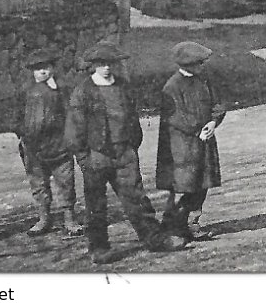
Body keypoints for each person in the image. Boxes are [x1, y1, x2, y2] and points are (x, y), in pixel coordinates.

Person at [65, 41, 188, 265]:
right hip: (96, 156)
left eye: (110, 63)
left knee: (137, 199)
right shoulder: (83, 92)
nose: (106, 68)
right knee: (96, 205)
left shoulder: (123, 87)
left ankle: (154, 239)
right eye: (101, 64)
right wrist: (84, 159)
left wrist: (132, 146)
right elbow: (74, 129)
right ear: (93, 66)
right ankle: (99, 247)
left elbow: (132, 118)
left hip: (125, 154)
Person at [156, 41, 225, 242]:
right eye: (199, 63)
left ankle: (193, 223)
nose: (202, 67)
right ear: (187, 64)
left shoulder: (204, 81)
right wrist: (198, 129)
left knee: (202, 184)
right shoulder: (172, 86)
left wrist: (213, 122)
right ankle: (173, 225)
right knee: (183, 187)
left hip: (203, 141)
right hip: (182, 148)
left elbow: (218, 104)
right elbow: (176, 117)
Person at [15, 47, 81, 238]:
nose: (43, 72)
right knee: (38, 183)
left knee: (65, 181)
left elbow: (70, 112)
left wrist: (68, 136)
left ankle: (69, 217)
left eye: (47, 67)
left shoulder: (61, 90)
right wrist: (22, 132)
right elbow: (15, 115)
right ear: (32, 71)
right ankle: (44, 217)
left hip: (59, 145)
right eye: (38, 68)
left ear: (53, 68)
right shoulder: (25, 92)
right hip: (33, 147)